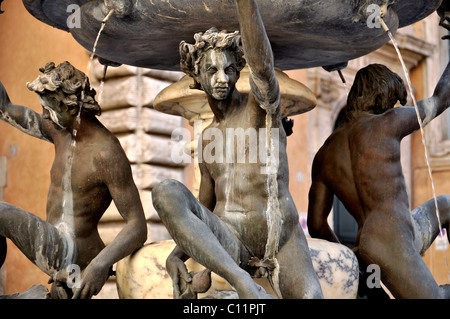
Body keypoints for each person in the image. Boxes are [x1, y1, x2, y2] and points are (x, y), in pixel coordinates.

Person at [152, 0, 323, 299]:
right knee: (166, 190)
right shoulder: (207, 139)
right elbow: (204, 204)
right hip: (230, 241)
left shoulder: (260, 110)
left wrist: (245, 4)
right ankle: (242, 281)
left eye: (229, 69)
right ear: (196, 76)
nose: (221, 78)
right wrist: (176, 256)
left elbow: (263, 67)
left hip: (279, 238)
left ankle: (245, 283)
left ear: (237, 73)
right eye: (211, 70)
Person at [307, 18, 450, 298]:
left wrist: (352, 264)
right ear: (382, 95)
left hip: (376, 241)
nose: (394, 107)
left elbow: (316, 224)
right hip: (391, 240)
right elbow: (442, 98)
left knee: (445, 205)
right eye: (393, 101)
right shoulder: (388, 122)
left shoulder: (324, 154)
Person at [0, 61, 147, 299]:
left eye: (47, 109)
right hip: (55, 243)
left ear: (65, 107)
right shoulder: (61, 132)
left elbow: (138, 226)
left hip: (76, 254)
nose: (45, 115)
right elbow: (5, 108)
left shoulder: (106, 153)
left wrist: (99, 266)